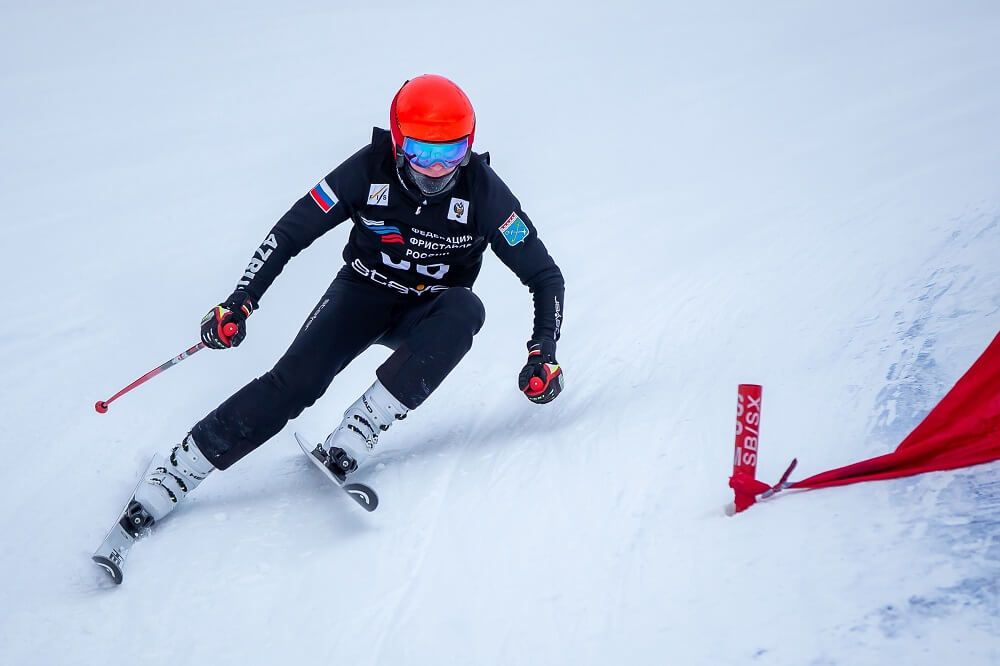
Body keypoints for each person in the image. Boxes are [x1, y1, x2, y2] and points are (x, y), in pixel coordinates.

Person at [124, 74, 566, 529]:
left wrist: (543, 352)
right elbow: (290, 231)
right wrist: (242, 299)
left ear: (469, 146)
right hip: (362, 294)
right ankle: (178, 470)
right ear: (397, 141)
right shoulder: (366, 171)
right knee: (294, 385)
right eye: (422, 152)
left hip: (427, 314)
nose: (436, 169)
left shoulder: (485, 193)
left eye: (451, 153)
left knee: (466, 309)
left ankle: (359, 428)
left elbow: (545, 276)